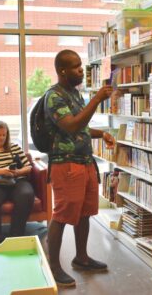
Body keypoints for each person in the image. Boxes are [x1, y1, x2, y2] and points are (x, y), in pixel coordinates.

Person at [45, 49, 115, 287]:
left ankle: (81, 257)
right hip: (66, 165)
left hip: (84, 163)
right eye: (75, 66)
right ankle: (53, 266)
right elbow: (72, 126)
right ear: (62, 71)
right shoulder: (54, 97)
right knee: (62, 215)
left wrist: (101, 133)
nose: (80, 70)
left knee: (85, 212)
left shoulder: (74, 94)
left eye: (80, 65)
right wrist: (96, 99)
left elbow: (82, 125)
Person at [0, 121, 35, 245]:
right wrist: (0, 171)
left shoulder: (14, 147)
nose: (2, 138)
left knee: (26, 194)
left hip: (17, 180)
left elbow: (28, 167)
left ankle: (16, 235)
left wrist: (17, 172)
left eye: (4, 135)